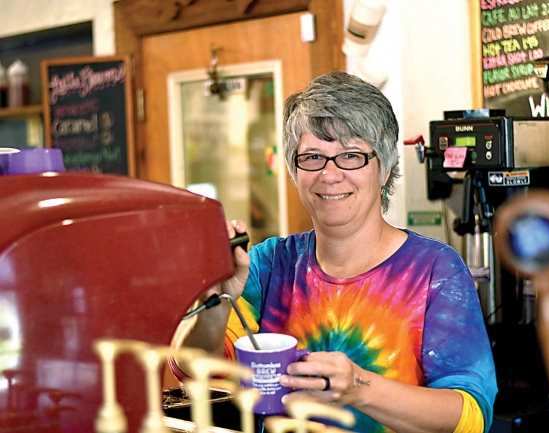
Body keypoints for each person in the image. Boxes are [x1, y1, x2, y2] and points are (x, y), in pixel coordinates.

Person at [172, 70, 497, 433]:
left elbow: (470, 417)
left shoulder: (435, 270)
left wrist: (360, 388)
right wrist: (216, 299)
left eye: (351, 156)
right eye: (312, 157)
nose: (329, 174)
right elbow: (192, 368)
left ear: (385, 168)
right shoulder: (269, 264)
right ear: (295, 171)